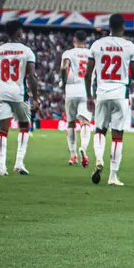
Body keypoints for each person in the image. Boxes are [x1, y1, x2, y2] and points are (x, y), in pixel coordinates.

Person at [85, 13, 134, 187]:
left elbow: (87, 74)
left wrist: (89, 96)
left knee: (100, 131)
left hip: (102, 93)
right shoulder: (129, 46)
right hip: (120, 93)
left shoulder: (97, 45)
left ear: (109, 26)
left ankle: (99, 158)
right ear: (123, 27)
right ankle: (113, 176)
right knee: (117, 136)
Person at [0, 20, 39, 176]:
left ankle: (1, 167)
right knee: (24, 126)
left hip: (2, 92)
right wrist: (36, 97)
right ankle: (19, 162)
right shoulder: (26, 51)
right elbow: (31, 75)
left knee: (2, 131)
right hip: (19, 93)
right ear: (19, 33)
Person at [60, 30, 92, 168]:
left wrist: (64, 82)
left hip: (71, 88)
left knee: (71, 122)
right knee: (85, 122)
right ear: (85, 41)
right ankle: (83, 148)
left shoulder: (68, 53)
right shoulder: (91, 53)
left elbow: (64, 67)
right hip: (85, 89)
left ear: (74, 39)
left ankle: (73, 155)